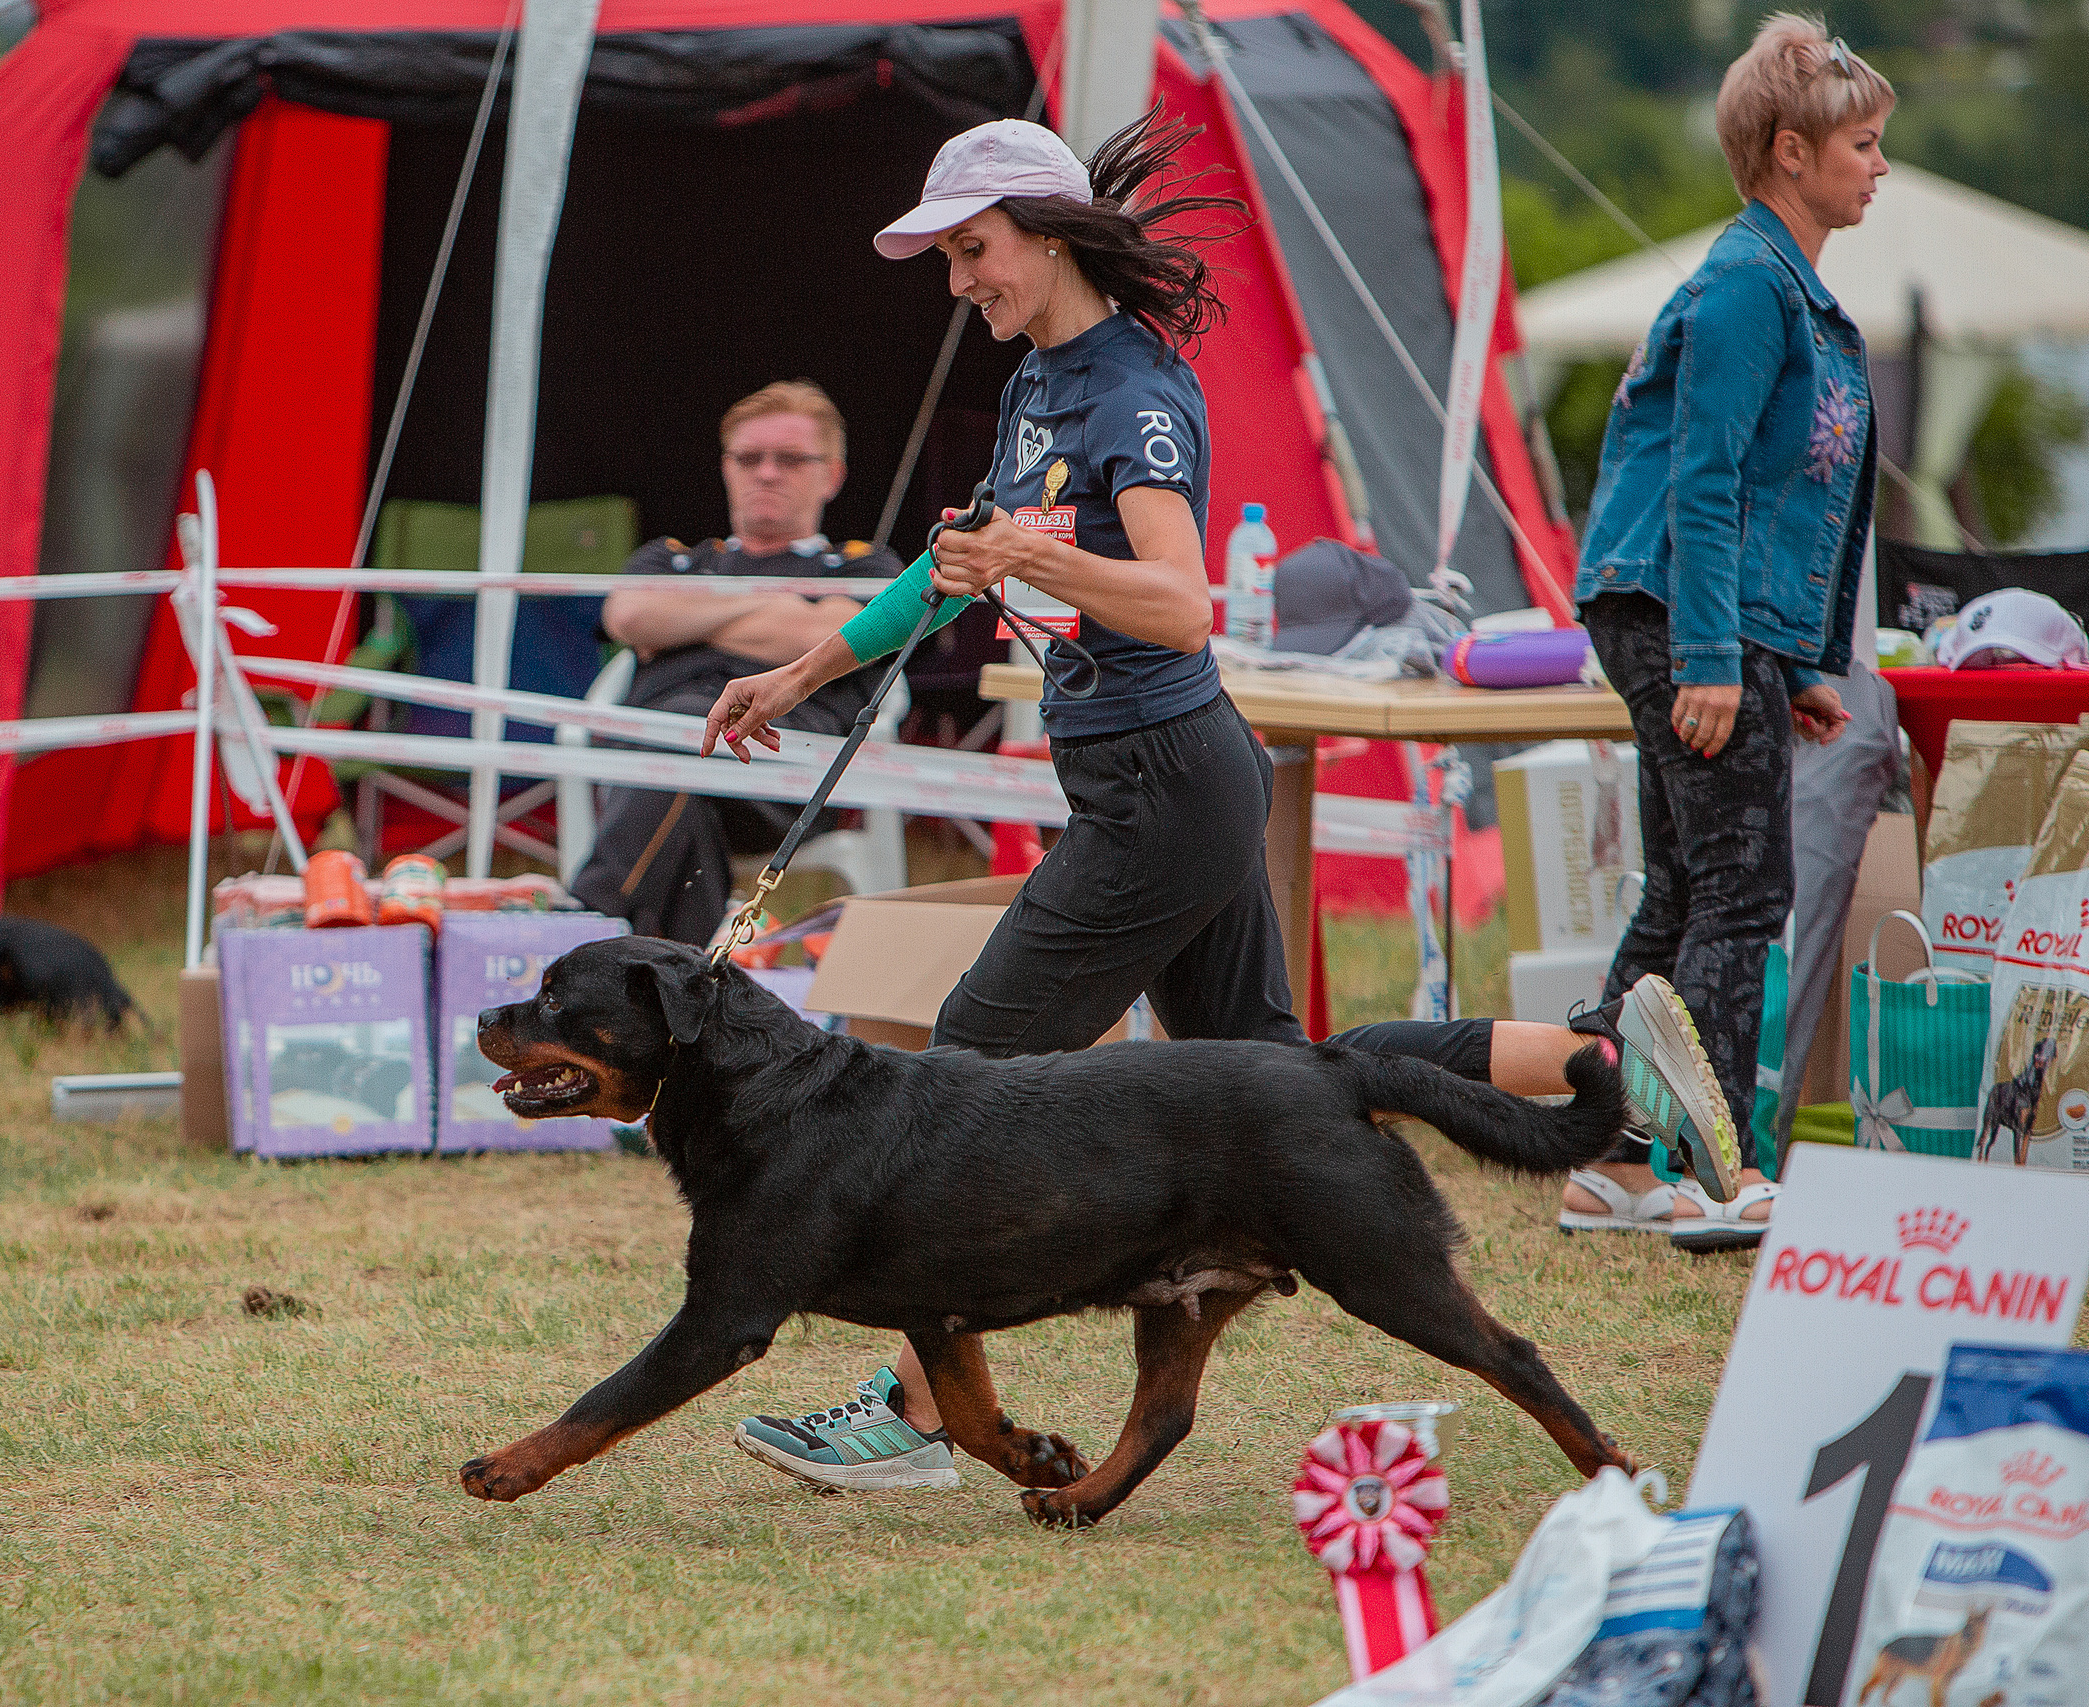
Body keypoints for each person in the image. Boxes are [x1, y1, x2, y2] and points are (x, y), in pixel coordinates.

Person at [696, 114, 1742, 1493]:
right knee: (1281, 1076)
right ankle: (1598, 1059)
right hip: (1163, 776)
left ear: (1047, 232)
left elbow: (1184, 605)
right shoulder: (1035, 387)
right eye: (947, 257)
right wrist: (803, 670)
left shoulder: (1130, 392)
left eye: (972, 250)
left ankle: (917, 1410)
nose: (958, 283)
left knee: (958, 1074)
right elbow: (955, 569)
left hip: (1164, 785)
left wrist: (1036, 558)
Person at [1563, 15, 1884, 1252]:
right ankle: (1708, 1169)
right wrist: (1709, 657)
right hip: (1677, 608)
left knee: (1691, 886)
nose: (1877, 165)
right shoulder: (1753, 286)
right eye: (1860, 143)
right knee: (1746, 891)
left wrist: (1791, 663)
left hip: (1702, 612)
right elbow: (1703, 480)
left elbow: (1774, 495)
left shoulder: (1783, 285)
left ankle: (1610, 1167)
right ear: (1790, 152)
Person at [569, 381, 904, 944]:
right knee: (685, 785)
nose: (766, 473)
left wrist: (695, 617)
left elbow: (834, 635)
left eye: (791, 459)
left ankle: (590, 918)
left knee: (678, 740)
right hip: (656, 762)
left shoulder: (863, 565)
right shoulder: (673, 557)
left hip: (783, 767)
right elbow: (627, 617)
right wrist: (764, 605)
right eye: (749, 458)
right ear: (726, 467)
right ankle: (678, 978)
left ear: (833, 474)